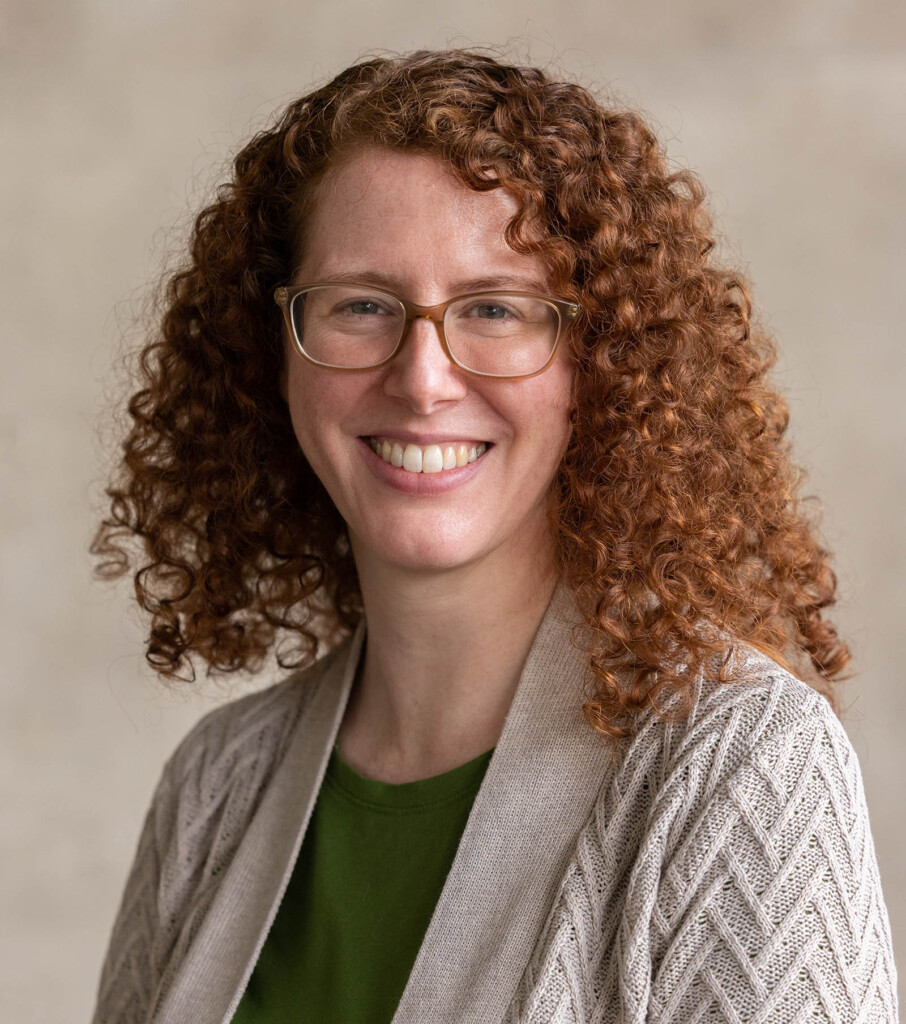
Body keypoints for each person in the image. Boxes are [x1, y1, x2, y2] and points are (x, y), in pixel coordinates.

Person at [89, 49, 898, 1024]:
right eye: (360, 306)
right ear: (276, 356)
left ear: (597, 364)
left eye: (494, 310)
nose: (423, 377)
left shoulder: (740, 762)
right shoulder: (214, 786)